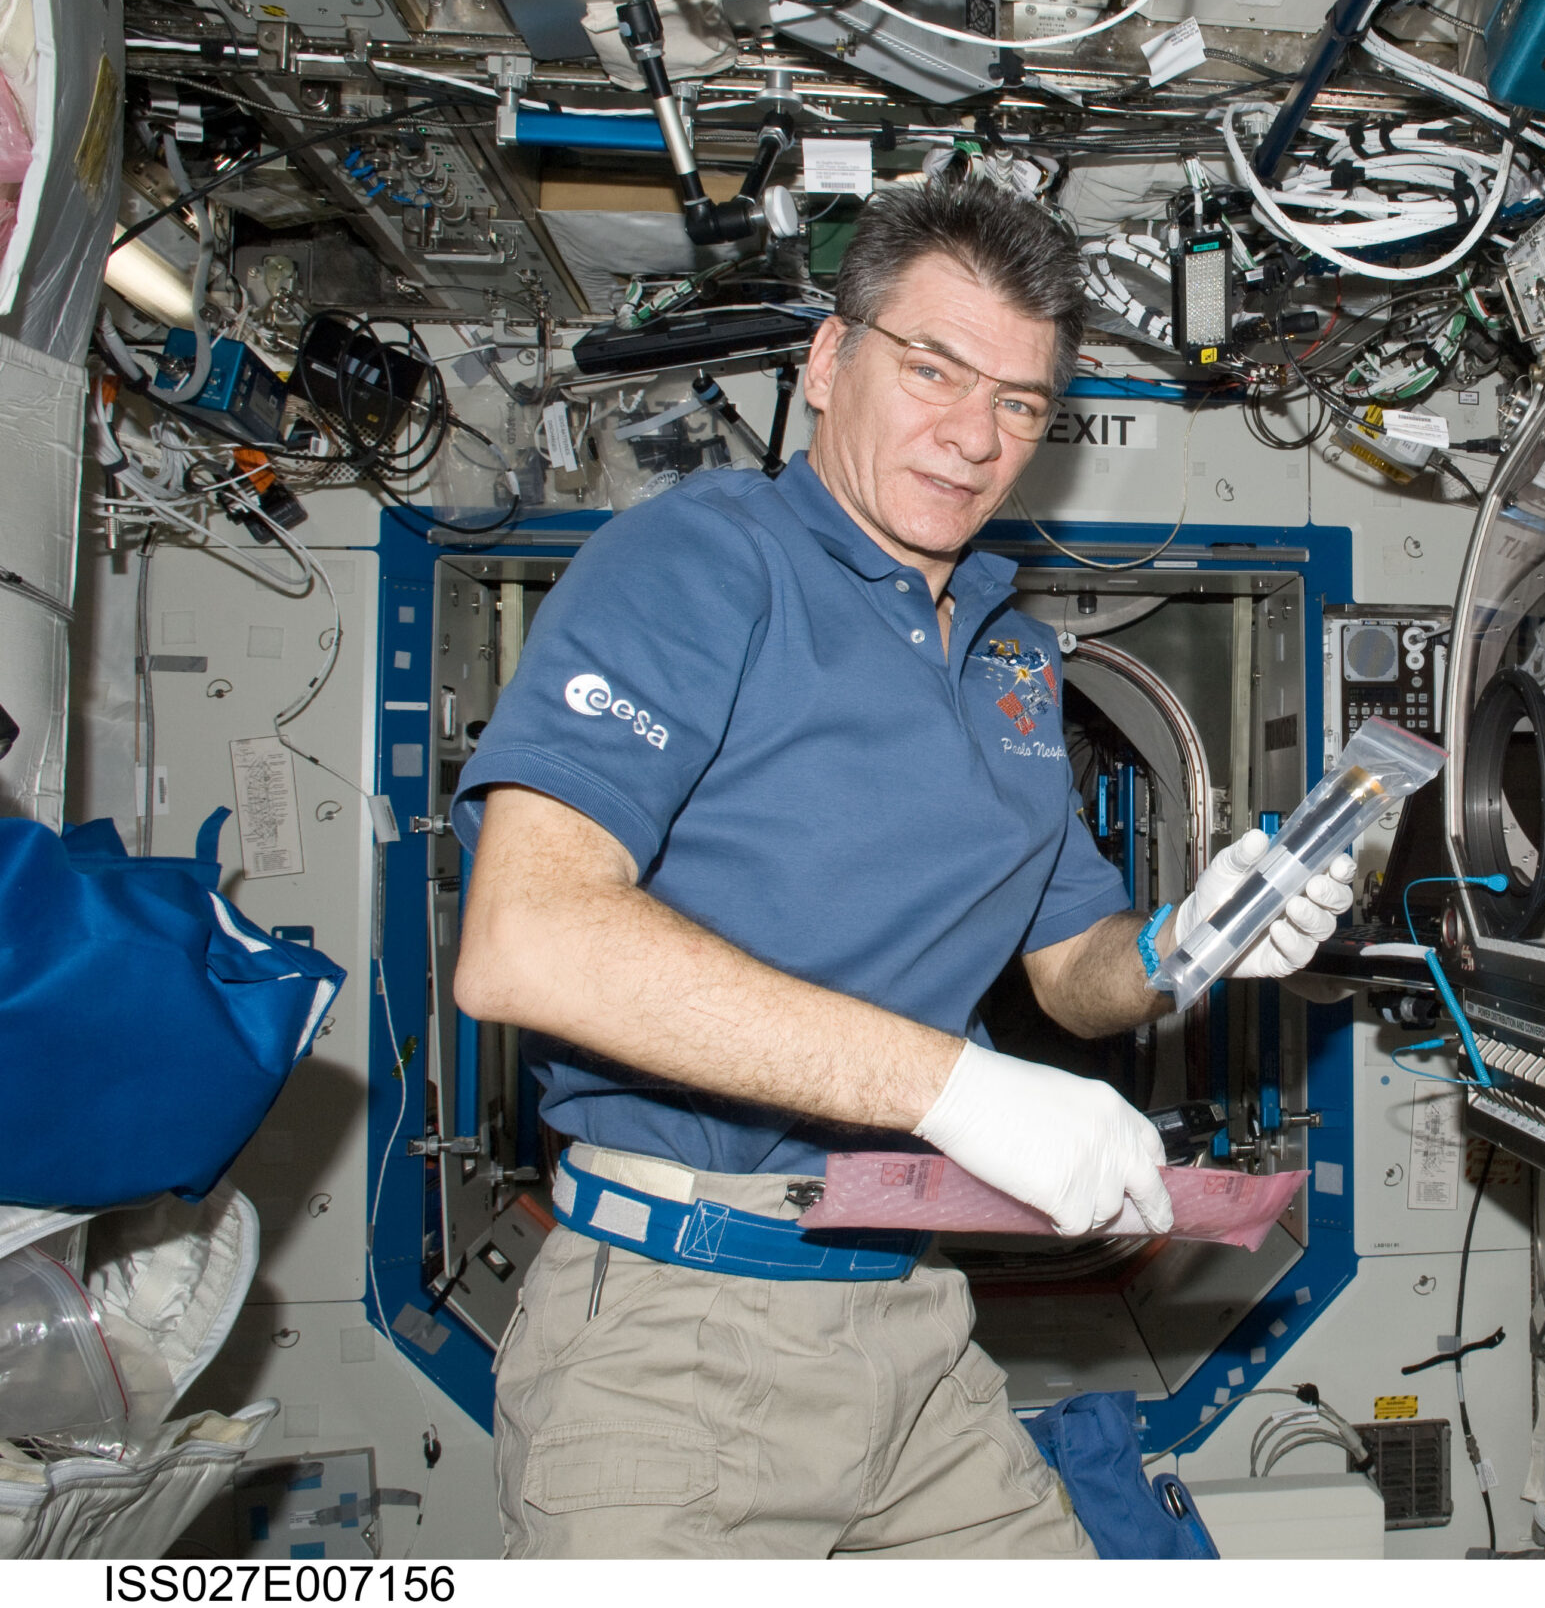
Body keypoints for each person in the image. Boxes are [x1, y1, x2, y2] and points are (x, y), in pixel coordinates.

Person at [448, 179, 1353, 1557]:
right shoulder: (698, 561)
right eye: (932, 368)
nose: (972, 434)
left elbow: (1075, 972)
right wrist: (956, 1086)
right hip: (671, 1330)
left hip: (908, 1321)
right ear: (828, 360)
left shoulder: (1014, 657)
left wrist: (1196, 933)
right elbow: (529, 936)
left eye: (1020, 403)